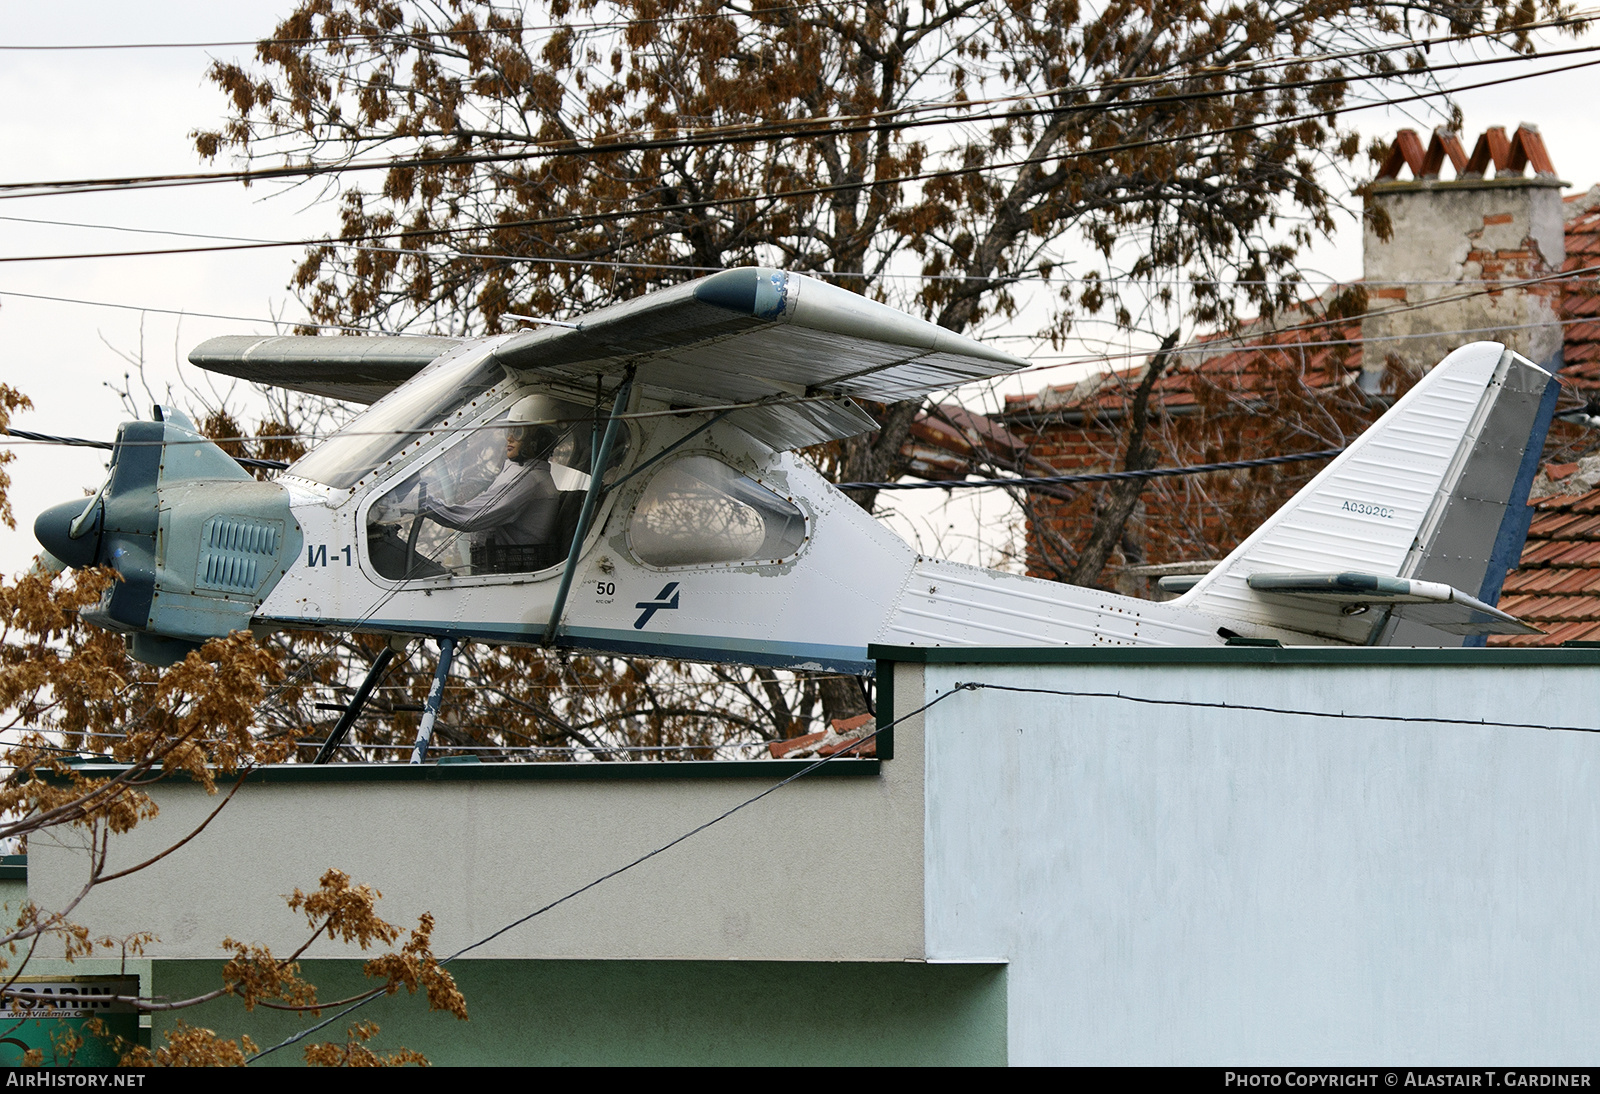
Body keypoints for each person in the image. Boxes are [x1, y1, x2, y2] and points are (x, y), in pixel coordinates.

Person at [415, 399, 565, 573]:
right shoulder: (522, 471)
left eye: (518, 432)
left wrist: (424, 503)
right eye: (509, 430)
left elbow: (471, 519)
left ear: (538, 440)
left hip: (510, 571)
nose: (509, 437)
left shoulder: (529, 479)